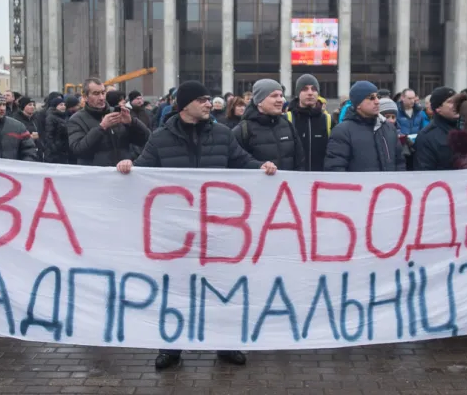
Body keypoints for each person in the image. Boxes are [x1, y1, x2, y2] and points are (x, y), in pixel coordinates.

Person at [115, 80, 276, 371]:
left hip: (218, 228)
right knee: (175, 289)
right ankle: (171, 347)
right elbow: (142, 171)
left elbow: (243, 162)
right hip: (177, 232)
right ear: (185, 104)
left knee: (221, 287)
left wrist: (261, 167)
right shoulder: (160, 138)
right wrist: (128, 168)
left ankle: (226, 344)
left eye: (208, 98)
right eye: (201, 99)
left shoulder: (223, 135)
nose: (208, 103)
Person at [324, 81, 405, 172]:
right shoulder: (342, 132)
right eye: (371, 98)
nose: (377, 102)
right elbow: (335, 168)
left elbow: (400, 164)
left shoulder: (389, 128)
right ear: (358, 104)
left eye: (377, 97)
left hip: (388, 186)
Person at [67, 78, 150, 166]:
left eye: (103, 93)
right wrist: (101, 128)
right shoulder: (76, 119)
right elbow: (78, 150)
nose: (102, 98)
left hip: (122, 173)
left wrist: (132, 122)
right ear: (85, 97)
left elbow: (145, 139)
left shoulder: (117, 113)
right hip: (95, 176)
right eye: (96, 94)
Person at [232, 79, 304, 171]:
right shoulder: (242, 130)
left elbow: (300, 162)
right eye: (274, 96)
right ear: (259, 101)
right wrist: (259, 166)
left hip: (286, 185)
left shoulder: (288, 125)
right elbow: (236, 161)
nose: (280, 100)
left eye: (281, 95)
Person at [286, 74, 332, 171]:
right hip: (293, 180)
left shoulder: (327, 120)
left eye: (314, 89)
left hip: (319, 180)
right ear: (298, 93)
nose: (310, 93)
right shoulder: (287, 119)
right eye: (305, 89)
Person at [413, 87, 459, 171]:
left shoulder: (465, 129)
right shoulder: (426, 136)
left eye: (457, 101)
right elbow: (424, 170)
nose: (456, 105)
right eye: (450, 102)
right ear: (438, 108)